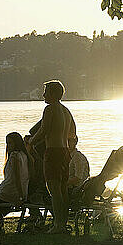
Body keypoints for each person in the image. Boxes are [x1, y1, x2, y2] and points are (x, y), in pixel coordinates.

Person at [29, 80, 76, 234]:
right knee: (62, 191)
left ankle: (58, 225)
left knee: (53, 190)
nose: (43, 95)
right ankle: (62, 222)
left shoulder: (50, 109)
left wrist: (30, 142)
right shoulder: (66, 110)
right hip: (64, 152)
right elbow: (72, 134)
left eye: (46, 92)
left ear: (54, 94)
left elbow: (43, 130)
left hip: (53, 152)